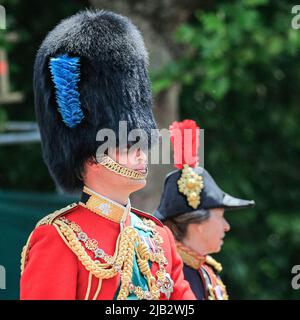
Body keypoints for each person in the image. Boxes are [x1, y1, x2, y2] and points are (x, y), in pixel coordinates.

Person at [20, 10, 195, 300]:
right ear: (91, 155)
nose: (141, 151)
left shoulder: (158, 236)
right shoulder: (59, 238)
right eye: (126, 144)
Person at [154, 119, 255, 300]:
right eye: (220, 216)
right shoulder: (163, 272)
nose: (226, 226)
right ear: (198, 222)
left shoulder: (207, 270)